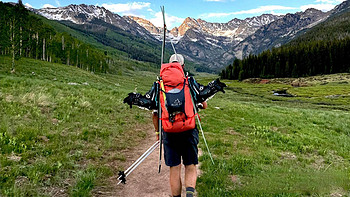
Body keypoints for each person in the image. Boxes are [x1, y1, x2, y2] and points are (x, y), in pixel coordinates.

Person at [123, 54, 226, 197]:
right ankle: (190, 194)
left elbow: (153, 110)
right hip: (189, 129)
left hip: (169, 132)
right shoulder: (189, 82)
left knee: (174, 168)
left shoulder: (159, 85)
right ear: (182, 66)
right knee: (190, 165)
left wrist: (158, 133)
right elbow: (203, 100)